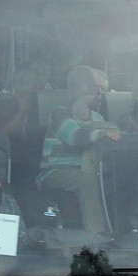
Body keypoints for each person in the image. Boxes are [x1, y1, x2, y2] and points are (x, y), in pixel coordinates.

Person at [36, 65, 120, 234]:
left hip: (87, 169)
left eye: (95, 88)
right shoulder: (59, 113)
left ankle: (122, 230)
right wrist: (103, 134)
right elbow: (76, 138)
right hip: (54, 172)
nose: (94, 92)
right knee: (88, 180)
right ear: (71, 89)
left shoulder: (98, 118)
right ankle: (97, 235)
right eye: (86, 87)